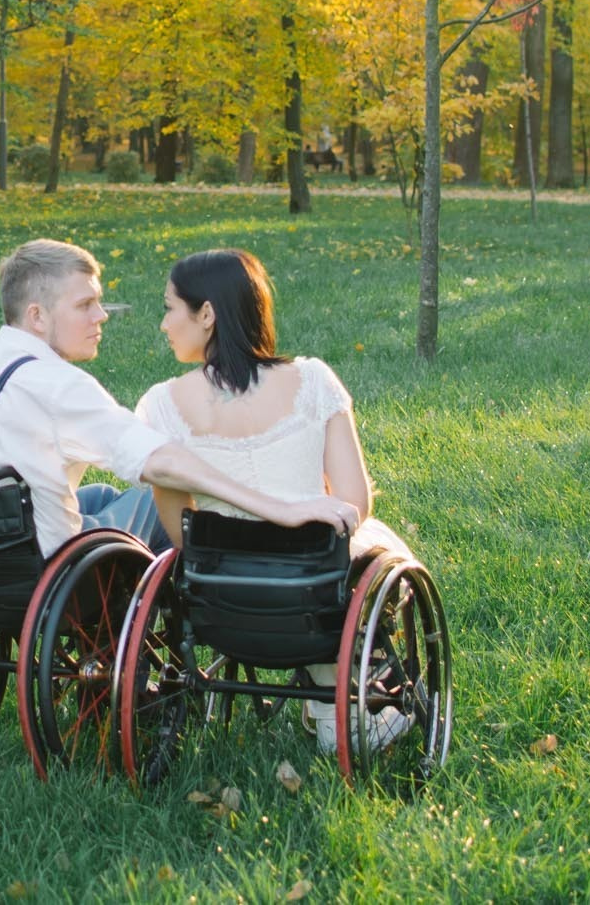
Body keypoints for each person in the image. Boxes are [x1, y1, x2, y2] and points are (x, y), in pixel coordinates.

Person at [0, 240, 357, 559]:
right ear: (37, 316)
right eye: (85, 305)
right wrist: (281, 509)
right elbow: (160, 463)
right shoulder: (59, 385)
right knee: (155, 500)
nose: (101, 316)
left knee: (102, 493)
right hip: (36, 560)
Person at [134, 247, 413, 753]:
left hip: (218, 596)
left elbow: (180, 536)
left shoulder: (160, 407)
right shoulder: (313, 381)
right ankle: (338, 703)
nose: (163, 323)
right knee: (371, 545)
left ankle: (327, 701)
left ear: (207, 314)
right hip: (312, 585)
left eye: (170, 307)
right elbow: (353, 504)